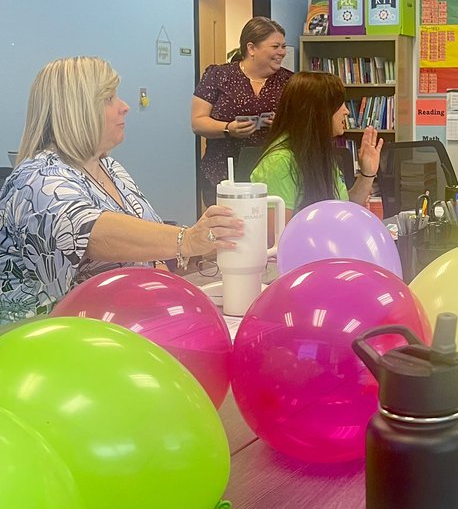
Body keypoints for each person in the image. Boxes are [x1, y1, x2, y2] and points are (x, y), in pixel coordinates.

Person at [0, 57, 242, 324]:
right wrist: (187, 240)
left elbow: (147, 243)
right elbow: (86, 232)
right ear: (75, 110)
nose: (124, 107)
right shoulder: (36, 177)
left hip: (120, 326)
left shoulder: (109, 166)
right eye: (109, 98)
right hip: (49, 340)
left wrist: (167, 287)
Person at [250, 71, 382, 218]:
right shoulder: (279, 162)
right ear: (319, 112)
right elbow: (279, 236)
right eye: (340, 105)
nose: (347, 111)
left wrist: (367, 174)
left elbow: (343, 209)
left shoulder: (317, 151)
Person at [191, 17, 292, 205]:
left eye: (283, 47)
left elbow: (302, 124)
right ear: (251, 48)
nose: (281, 52)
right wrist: (228, 128)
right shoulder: (218, 75)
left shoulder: (290, 82)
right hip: (222, 173)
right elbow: (198, 122)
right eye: (275, 46)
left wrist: (283, 123)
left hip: (272, 172)